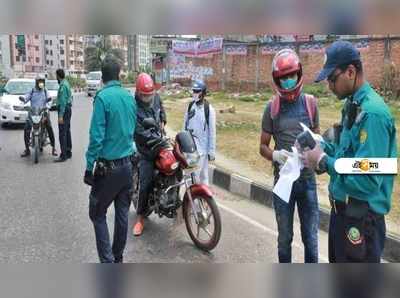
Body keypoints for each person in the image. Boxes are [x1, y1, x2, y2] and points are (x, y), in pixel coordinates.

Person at [303, 40, 397, 263]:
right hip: (343, 214)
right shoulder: (353, 105)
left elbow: (368, 174)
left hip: (362, 220)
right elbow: (348, 154)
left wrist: (326, 161)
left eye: (332, 79)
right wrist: (320, 146)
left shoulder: (373, 114)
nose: (329, 86)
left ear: (351, 72)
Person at [259, 49, 320, 263]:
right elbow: (262, 146)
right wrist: (276, 155)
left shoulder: (311, 104)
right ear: (277, 80)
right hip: (283, 184)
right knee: (285, 238)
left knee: (311, 239)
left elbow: (318, 139)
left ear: (299, 73)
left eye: (291, 75)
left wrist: (313, 150)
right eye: (283, 78)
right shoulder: (271, 108)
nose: (288, 81)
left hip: (308, 184)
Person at [84, 56, 137, 263]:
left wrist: (89, 167)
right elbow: (132, 131)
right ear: (119, 73)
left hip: (109, 169)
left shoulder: (103, 98)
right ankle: (118, 256)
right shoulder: (129, 97)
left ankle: (107, 262)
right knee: (122, 213)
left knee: (97, 213)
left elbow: (96, 137)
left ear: (103, 77)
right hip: (127, 168)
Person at [132, 73, 167, 237]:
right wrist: (157, 141)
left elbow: (161, 109)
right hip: (145, 148)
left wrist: (163, 119)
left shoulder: (156, 97)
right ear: (139, 93)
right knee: (145, 183)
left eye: (150, 94)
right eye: (145, 95)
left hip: (160, 142)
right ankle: (140, 219)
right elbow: (139, 132)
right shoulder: (134, 107)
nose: (148, 98)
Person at [183, 79, 216, 185]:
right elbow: (184, 125)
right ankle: (194, 200)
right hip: (190, 148)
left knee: (204, 176)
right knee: (193, 177)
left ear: (203, 93)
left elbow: (212, 132)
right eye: (194, 91)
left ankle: (204, 199)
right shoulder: (190, 106)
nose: (195, 94)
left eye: (197, 91)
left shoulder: (209, 110)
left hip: (203, 150)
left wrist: (211, 152)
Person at [20, 75, 57, 157]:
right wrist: (23, 99)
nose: (41, 83)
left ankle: (53, 148)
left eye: (42, 81)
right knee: (26, 128)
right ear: (36, 82)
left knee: (49, 127)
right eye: (39, 81)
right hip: (33, 113)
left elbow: (49, 100)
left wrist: (47, 107)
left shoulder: (45, 91)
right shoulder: (32, 91)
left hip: (43, 113)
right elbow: (26, 97)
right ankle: (27, 149)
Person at [54, 68, 72, 162]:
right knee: (67, 131)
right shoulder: (66, 83)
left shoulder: (63, 86)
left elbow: (63, 101)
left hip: (64, 110)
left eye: (56, 75)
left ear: (58, 76)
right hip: (68, 109)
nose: (55, 77)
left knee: (62, 133)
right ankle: (68, 152)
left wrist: (60, 115)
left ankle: (63, 155)